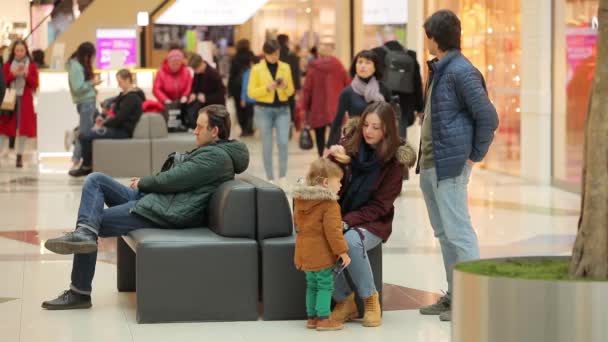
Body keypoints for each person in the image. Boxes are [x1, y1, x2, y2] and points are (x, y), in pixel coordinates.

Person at [42, 104, 250, 310]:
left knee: (94, 221)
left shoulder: (216, 157)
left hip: (164, 212)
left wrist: (143, 182)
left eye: (200, 127)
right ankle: (84, 235)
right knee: (95, 180)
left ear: (214, 131)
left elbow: (175, 179)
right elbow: (178, 179)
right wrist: (146, 186)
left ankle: (79, 291)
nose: (195, 131)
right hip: (157, 199)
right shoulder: (213, 151)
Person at [417, 10, 499, 322]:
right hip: (431, 164)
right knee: (444, 233)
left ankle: (472, 299)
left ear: (434, 38)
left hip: (449, 166)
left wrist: (474, 155)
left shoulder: (461, 72)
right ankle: (456, 294)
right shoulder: (441, 69)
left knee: (458, 232)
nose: (426, 40)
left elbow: (488, 117)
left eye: (427, 35)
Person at [326, 101, 416, 327]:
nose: (368, 131)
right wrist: (333, 158)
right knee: (318, 238)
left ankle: (370, 299)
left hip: (373, 222)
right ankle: (344, 300)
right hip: (341, 215)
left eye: (376, 127)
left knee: (350, 240)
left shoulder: (394, 162)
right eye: (366, 125)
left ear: (387, 129)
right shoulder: (350, 146)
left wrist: (347, 222)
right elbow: (328, 179)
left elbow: (380, 206)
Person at [293, 158, 351, 331]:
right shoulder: (330, 205)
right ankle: (324, 319)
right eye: (338, 182)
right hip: (321, 253)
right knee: (325, 284)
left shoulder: (300, 200)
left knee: (311, 285)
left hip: (303, 251)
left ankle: (312, 318)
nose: (340, 185)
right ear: (326, 183)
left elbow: (297, 223)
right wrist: (343, 252)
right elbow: (333, 232)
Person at [69, 69, 146, 177]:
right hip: (117, 127)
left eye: (120, 82)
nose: (119, 85)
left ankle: (86, 166)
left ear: (128, 80)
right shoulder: (124, 95)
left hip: (122, 131)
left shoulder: (132, 98)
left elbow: (120, 118)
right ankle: (87, 164)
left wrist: (104, 124)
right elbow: (114, 112)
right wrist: (103, 118)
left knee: (84, 136)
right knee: (83, 133)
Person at [247, 40, 295, 188]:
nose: (275, 57)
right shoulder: (257, 69)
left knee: (283, 142)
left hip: (283, 110)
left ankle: (283, 176)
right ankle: (270, 177)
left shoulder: (285, 67)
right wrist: (267, 88)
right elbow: (251, 92)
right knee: (267, 144)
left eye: (277, 53)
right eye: (272, 54)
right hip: (263, 110)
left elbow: (291, 91)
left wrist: (285, 86)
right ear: (265, 54)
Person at [326, 50, 392, 147]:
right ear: (355, 66)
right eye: (360, 62)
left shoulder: (383, 90)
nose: (363, 66)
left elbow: (390, 118)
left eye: (368, 63)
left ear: (375, 68)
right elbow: (338, 121)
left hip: (380, 144)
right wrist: (330, 146)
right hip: (355, 144)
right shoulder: (348, 92)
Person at [301, 46, 350, 156]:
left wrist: (305, 108)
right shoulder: (340, 68)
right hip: (336, 107)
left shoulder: (313, 69)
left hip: (317, 108)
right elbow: (348, 86)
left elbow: (307, 90)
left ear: (319, 55)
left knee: (319, 135)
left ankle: (321, 156)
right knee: (335, 134)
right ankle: (333, 156)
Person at [372, 40, 423, 139]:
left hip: (381, 100)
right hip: (405, 103)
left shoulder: (377, 53)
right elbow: (417, 82)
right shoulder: (410, 55)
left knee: (379, 131)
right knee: (399, 136)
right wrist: (420, 108)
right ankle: (398, 152)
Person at [0, 40, 39, 168]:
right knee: (5, 127)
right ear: (13, 51)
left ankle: (19, 156)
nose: (19, 53)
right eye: (17, 50)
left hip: (25, 99)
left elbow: (35, 84)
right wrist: (13, 74)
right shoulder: (7, 65)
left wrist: (26, 75)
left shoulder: (32, 66)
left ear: (26, 51)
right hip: (10, 98)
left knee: (23, 129)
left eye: (22, 50)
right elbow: (3, 81)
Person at [67, 42, 102, 170]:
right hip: (86, 103)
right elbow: (78, 88)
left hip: (88, 102)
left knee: (85, 132)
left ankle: (79, 160)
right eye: (92, 56)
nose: (92, 59)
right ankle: (76, 160)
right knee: (84, 133)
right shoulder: (76, 66)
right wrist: (92, 83)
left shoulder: (77, 65)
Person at [184, 54, 226, 129]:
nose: (195, 71)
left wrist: (206, 98)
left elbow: (221, 95)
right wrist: (193, 93)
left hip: (214, 108)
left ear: (201, 64)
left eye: (195, 69)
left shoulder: (214, 74)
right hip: (203, 106)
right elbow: (195, 86)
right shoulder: (198, 73)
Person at [227, 39, 255, 136]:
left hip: (236, 87)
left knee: (239, 109)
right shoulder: (251, 56)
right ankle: (249, 128)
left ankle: (243, 129)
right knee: (249, 108)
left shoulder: (235, 57)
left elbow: (231, 74)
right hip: (250, 85)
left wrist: (229, 90)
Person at [277, 34, 301, 126]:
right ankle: (289, 123)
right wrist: (298, 87)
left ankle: (279, 123)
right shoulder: (292, 55)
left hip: (278, 84)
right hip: (290, 85)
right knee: (290, 105)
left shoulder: (276, 55)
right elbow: (296, 72)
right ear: (286, 41)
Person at [239, 55, 259, 136]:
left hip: (249, 99)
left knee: (249, 116)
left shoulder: (247, 73)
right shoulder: (259, 73)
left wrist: (243, 99)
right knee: (253, 116)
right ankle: (251, 129)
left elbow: (244, 87)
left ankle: (249, 130)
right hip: (257, 99)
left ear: (251, 63)